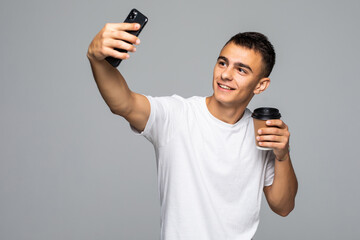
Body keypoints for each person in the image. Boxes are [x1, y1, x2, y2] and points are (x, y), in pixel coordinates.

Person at [87, 22, 298, 240]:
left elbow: (283, 207)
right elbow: (124, 103)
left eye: (241, 70)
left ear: (260, 85)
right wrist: (97, 60)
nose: (226, 74)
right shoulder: (178, 115)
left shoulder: (261, 132)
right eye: (222, 63)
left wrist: (282, 156)